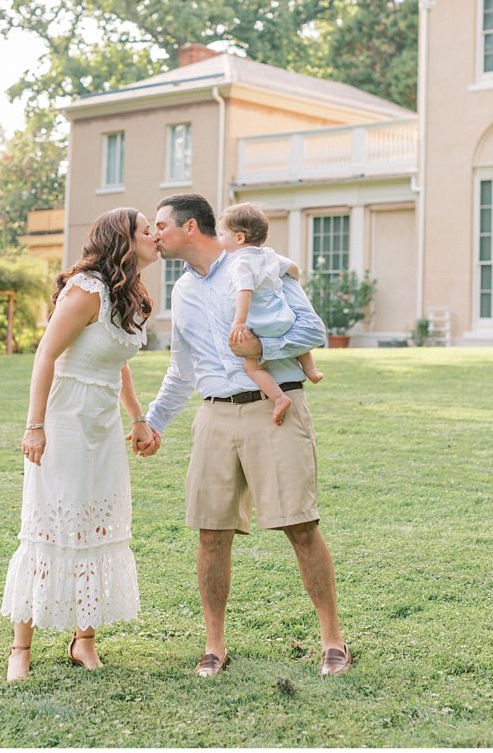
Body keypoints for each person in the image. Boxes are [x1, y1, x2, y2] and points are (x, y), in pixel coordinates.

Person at [144, 193, 351, 678]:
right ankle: (214, 647)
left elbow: (313, 329)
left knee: (301, 525)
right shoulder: (182, 291)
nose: (155, 235)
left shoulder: (260, 267)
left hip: (274, 410)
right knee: (211, 533)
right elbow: (183, 368)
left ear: (190, 227)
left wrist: (265, 344)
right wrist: (154, 421)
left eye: (161, 225)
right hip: (214, 416)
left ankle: (333, 642)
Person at [2, 208, 160, 682]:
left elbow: (119, 362)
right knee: (50, 527)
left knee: (96, 525)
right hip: (66, 418)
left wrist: (138, 418)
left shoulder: (128, 292)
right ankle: (20, 648)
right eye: (146, 229)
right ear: (123, 241)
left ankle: (83, 641)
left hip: (103, 423)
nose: (155, 235)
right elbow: (46, 352)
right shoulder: (86, 289)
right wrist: (35, 426)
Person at [218, 201, 324, 426]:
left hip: (261, 325)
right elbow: (294, 269)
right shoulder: (269, 255)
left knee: (252, 366)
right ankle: (312, 370)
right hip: (284, 318)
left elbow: (244, 292)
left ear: (239, 238)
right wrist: (293, 279)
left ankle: (279, 398)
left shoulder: (240, 263)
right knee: (299, 348)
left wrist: (239, 323)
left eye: (222, 234)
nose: (219, 239)